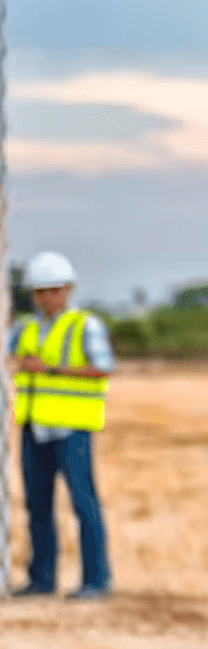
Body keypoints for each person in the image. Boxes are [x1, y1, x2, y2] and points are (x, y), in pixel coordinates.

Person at [9, 251, 113, 599]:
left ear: (68, 289)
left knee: (84, 504)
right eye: (40, 290)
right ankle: (41, 580)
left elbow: (102, 367)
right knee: (37, 505)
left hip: (72, 429)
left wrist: (50, 370)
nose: (47, 297)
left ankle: (96, 581)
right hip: (34, 427)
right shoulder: (24, 327)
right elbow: (10, 359)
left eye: (54, 289)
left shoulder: (86, 325)